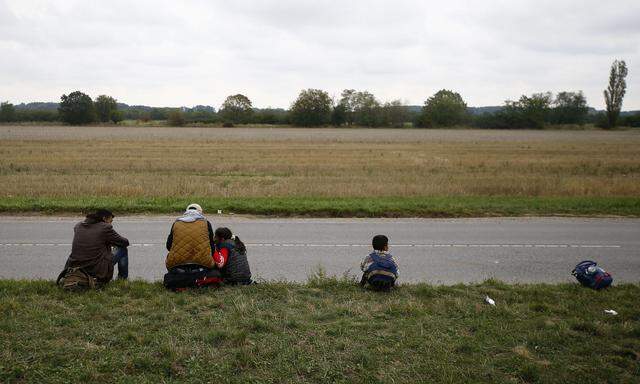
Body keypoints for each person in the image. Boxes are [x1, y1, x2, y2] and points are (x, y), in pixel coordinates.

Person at [64, 209, 130, 284]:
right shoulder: (105, 228)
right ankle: (122, 280)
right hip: (94, 269)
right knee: (122, 249)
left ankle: (68, 275)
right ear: (104, 219)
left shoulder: (78, 226)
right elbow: (125, 242)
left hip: (75, 268)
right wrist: (112, 242)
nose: (111, 224)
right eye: (110, 221)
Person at [165, 203, 215, 270]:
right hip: (203, 262)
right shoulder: (206, 223)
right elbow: (211, 245)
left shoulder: (176, 223)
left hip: (177, 262)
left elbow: (169, 246)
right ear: (200, 212)